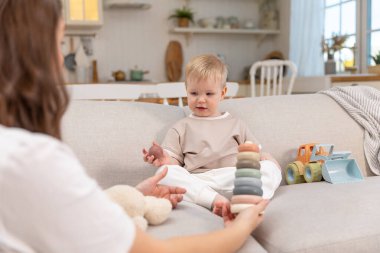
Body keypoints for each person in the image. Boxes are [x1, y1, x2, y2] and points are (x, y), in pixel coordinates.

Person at [0, 0, 268, 252]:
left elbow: (58, 209)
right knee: (169, 172)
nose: (61, 59)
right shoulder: (32, 157)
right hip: (204, 186)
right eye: (58, 44)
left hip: (233, 177)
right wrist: (243, 227)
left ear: (222, 94)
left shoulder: (20, 153)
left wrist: (132, 194)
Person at [143, 54, 282, 216]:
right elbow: (173, 163)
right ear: (186, 91)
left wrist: (266, 158)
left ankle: (251, 200)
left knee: (271, 166)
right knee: (164, 173)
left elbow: (253, 154)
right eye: (194, 93)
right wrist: (163, 159)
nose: (201, 100)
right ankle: (216, 201)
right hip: (200, 182)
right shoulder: (180, 127)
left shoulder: (237, 124)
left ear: (222, 93)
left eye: (209, 94)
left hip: (236, 178)